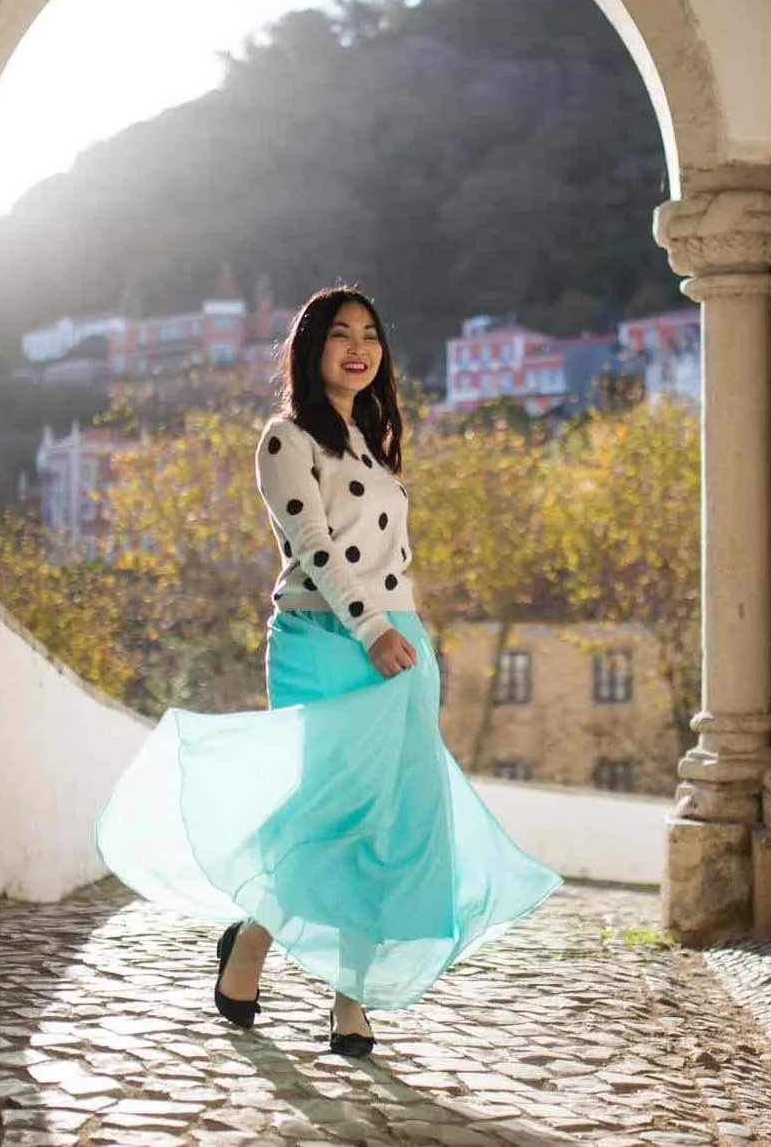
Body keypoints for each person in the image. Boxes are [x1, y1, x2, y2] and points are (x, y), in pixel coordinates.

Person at [96, 285, 562, 1057]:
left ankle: (355, 995)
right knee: (320, 813)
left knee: (389, 823)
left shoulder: (373, 441)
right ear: (310, 349)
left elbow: (388, 556)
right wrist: (371, 629)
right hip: (325, 639)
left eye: (370, 333)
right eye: (340, 333)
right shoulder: (286, 438)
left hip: (402, 645)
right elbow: (316, 544)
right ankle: (251, 945)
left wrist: (397, 633)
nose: (358, 346)